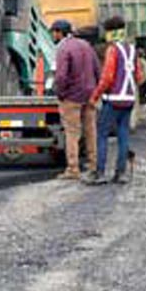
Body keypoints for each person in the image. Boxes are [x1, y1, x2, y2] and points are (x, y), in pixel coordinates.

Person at [89, 15, 144, 185]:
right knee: (123, 135)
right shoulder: (132, 50)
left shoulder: (112, 50)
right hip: (128, 100)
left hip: (113, 100)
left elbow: (107, 77)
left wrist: (95, 96)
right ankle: (120, 173)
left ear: (110, 33)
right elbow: (139, 77)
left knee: (102, 135)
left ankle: (99, 173)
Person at [50, 19, 101, 180]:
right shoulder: (86, 45)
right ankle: (94, 164)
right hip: (90, 94)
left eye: (54, 32)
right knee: (90, 131)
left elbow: (61, 75)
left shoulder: (63, 48)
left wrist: (60, 93)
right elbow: (97, 69)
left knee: (72, 132)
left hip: (72, 96)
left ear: (59, 32)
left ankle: (73, 169)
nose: (53, 35)